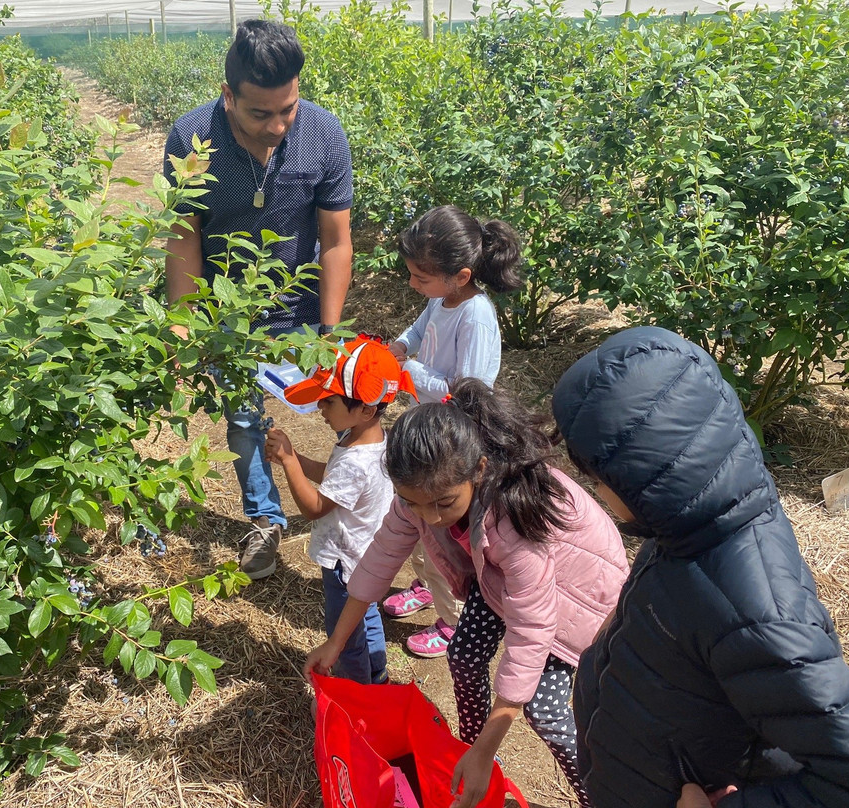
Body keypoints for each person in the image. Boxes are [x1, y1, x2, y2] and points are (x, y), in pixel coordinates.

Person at [552, 326, 849, 808]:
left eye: (598, 480)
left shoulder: (759, 614)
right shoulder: (690, 525)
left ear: (649, 479)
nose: (597, 493)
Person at [305, 378, 628, 808]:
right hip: (495, 581)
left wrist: (488, 748)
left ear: (479, 469)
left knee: (545, 711)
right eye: (413, 503)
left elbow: (532, 632)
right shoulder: (420, 492)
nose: (429, 517)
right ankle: (472, 755)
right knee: (463, 655)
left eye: (442, 503)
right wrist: (337, 639)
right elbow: (379, 560)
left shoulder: (515, 521)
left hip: (573, 597)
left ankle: (597, 795)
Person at [162, 19, 353, 580]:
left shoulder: (323, 133)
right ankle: (264, 519)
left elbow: (337, 241)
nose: (278, 125)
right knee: (245, 422)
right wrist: (183, 324)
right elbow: (184, 238)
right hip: (229, 315)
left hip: (298, 304)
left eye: (287, 109)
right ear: (229, 96)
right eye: (260, 113)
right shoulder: (192, 140)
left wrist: (330, 331)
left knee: (347, 412)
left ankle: (357, 510)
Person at [381, 205, 523, 660]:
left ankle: (453, 620)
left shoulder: (476, 317)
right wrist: (402, 345)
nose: (413, 284)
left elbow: (468, 391)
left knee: (445, 529)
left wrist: (412, 370)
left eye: (421, 278)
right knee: (423, 526)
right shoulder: (442, 300)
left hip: (455, 443)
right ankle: (428, 584)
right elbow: (421, 327)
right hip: (432, 431)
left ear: (460, 275)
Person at [264, 335, 417, 684]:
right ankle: (376, 677)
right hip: (369, 560)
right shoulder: (371, 440)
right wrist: (299, 461)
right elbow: (335, 481)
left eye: (328, 402)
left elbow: (316, 507)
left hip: (345, 565)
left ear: (364, 408)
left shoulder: (356, 462)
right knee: (367, 617)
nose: (320, 408)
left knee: (344, 637)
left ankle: (355, 691)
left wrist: (289, 462)